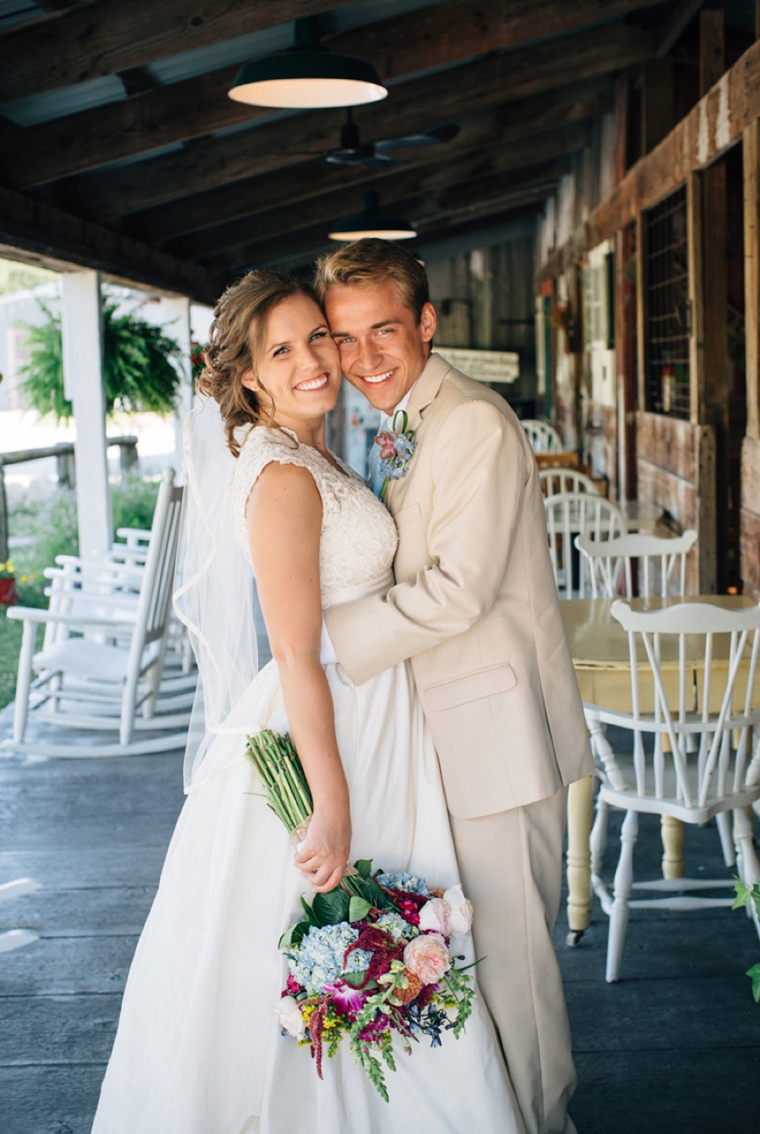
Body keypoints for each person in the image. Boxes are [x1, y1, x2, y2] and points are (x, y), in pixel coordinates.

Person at [91, 269, 526, 1133]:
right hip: (334, 721)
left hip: (374, 709)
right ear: (248, 375)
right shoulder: (284, 473)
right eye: (281, 350)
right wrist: (330, 802)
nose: (314, 361)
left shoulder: (311, 448)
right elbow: (294, 650)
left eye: (317, 338)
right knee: (309, 935)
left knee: (375, 929)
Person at [314, 239, 594, 1134]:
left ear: (427, 323)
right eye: (344, 339)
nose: (363, 359)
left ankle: (548, 1121)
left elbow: (459, 590)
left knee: (516, 972)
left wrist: (332, 637)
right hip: (441, 738)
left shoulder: (471, 420)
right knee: (475, 966)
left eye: (383, 330)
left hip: (497, 740)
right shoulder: (407, 422)